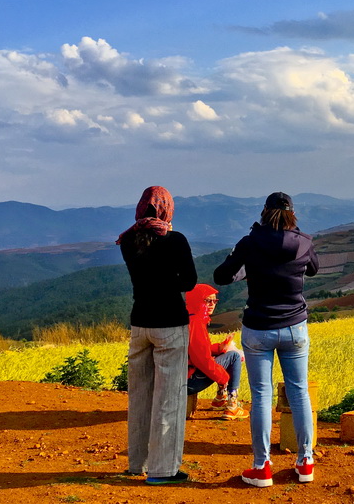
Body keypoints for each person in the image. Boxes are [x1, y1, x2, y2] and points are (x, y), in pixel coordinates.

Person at [214, 192, 319, 487]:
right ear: (292, 215)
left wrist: (247, 267)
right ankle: (305, 461)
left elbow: (221, 275)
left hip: (258, 328)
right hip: (295, 327)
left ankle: (261, 467)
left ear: (264, 212)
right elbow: (314, 268)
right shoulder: (304, 242)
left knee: (261, 396)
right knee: (299, 392)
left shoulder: (250, 243)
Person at [117, 186, 197, 486]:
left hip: (140, 323)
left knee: (139, 395)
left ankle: (137, 463)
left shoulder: (127, 240)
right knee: (169, 398)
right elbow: (188, 282)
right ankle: (164, 470)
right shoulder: (175, 240)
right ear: (166, 210)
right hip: (170, 323)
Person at [185, 283, 249, 420]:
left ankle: (221, 399)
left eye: (214, 300)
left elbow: (195, 350)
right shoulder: (196, 322)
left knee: (225, 355)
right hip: (189, 381)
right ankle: (232, 404)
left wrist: (218, 348)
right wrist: (223, 377)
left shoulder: (188, 317)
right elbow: (201, 360)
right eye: (207, 300)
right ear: (196, 300)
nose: (212, 304)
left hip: (179, 377)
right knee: (234, 356)